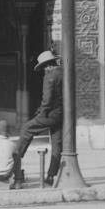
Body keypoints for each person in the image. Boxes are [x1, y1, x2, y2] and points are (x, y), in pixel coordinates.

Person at [14, 49, 63, 187]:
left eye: (43, 68)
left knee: (27, 128)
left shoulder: (50, 76)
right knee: (57, 145)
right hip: (61, 115)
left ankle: (15, 166)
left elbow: (46, 100)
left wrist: (41, 114)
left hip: (50, 115)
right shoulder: (63, 73)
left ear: (47, 66)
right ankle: (50, 176)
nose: (43, 71)